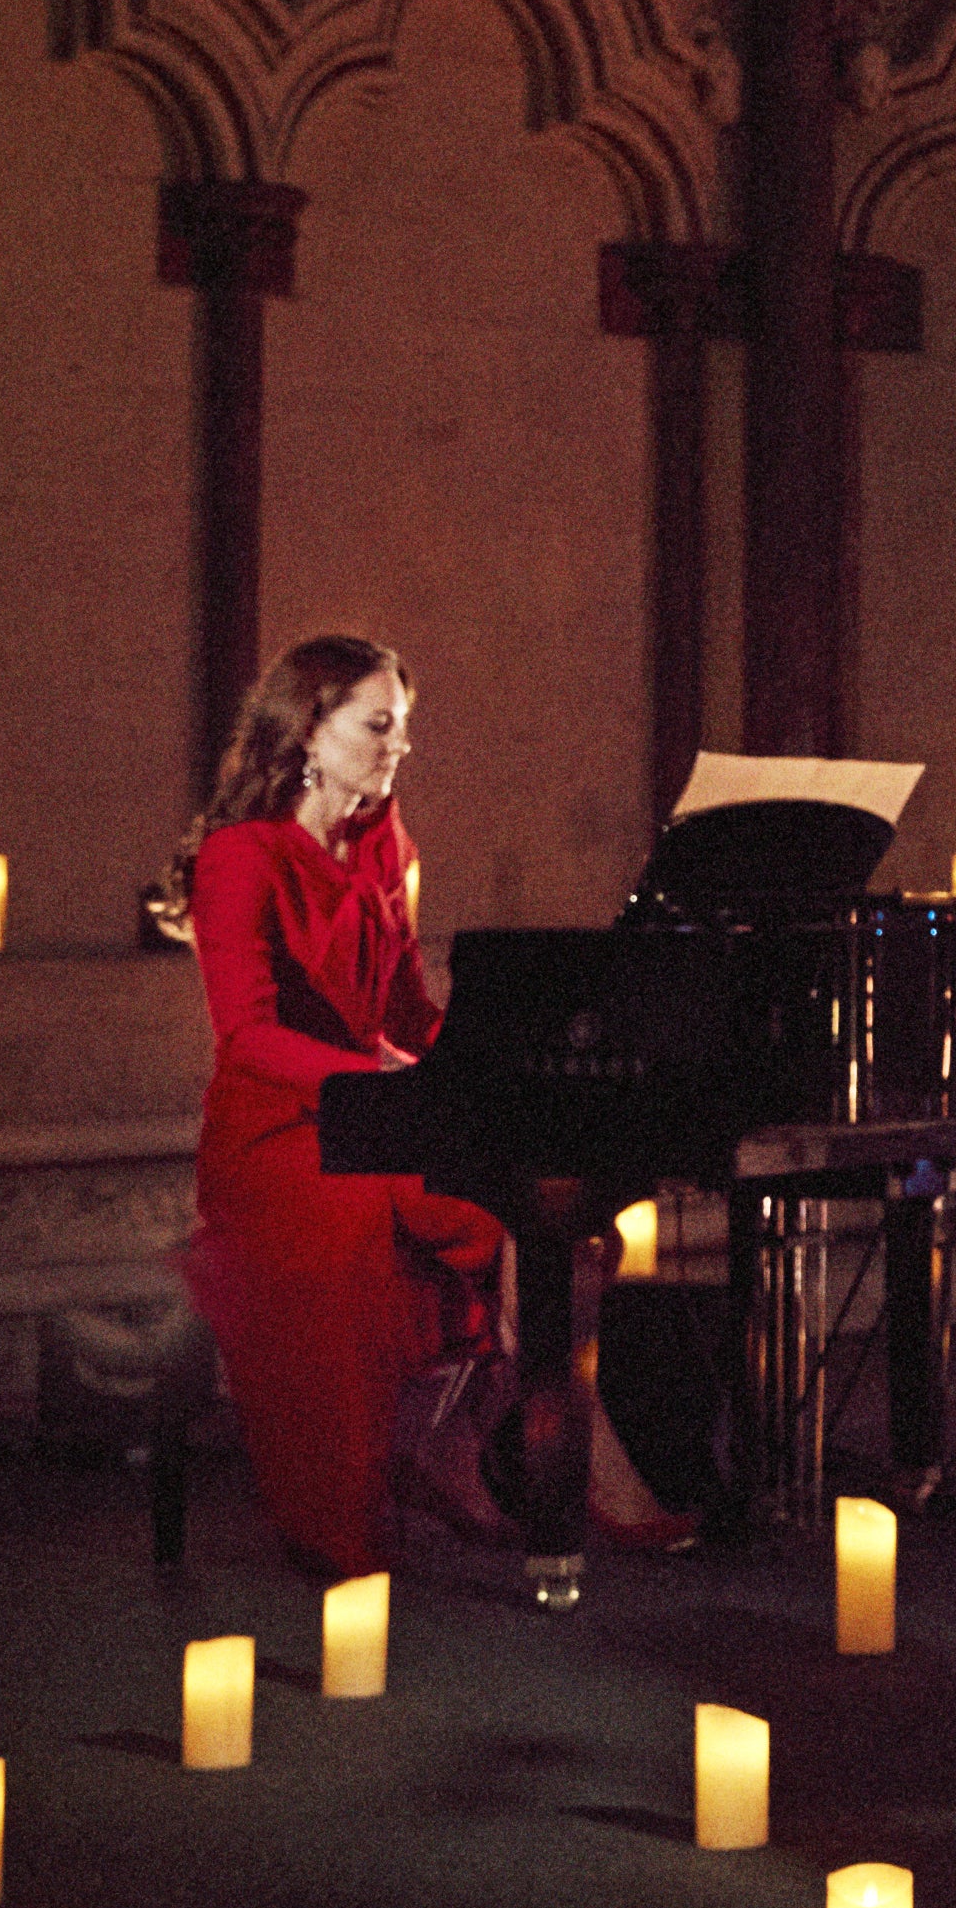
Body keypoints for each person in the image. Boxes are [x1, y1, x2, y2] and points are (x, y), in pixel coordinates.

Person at [164, 636, 680, 1579]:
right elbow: (246, 1036)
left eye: (404, 726)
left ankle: (491, 1450)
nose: (399, 745)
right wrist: (380, 1091)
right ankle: (379, 1513)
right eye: (377, 724)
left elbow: (404, 1010)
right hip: (278, 1134)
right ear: (308, 729)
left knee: (548, 1219)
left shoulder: (385, 842)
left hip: (377, 1115)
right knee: (354, 1234)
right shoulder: (242, 857)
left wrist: (503, 1070)